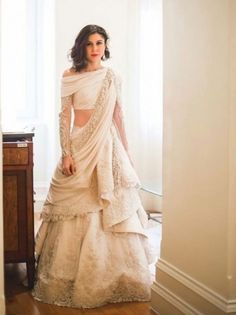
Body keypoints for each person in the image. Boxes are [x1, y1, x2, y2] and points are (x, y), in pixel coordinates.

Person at [32, 24, 153, 309]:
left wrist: (126, 150)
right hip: (79, 145)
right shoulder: (70, 76)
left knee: (109, 203)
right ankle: (69, 277)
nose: (96, 49)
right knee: (77, 204)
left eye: (100, 43)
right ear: (81, 47)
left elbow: (118, 115)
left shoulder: (112, 77)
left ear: (105, 46)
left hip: (106, 146)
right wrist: (67, 153)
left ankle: (118, 277)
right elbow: (64, 116)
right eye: (90, 44)